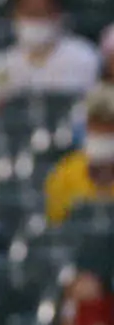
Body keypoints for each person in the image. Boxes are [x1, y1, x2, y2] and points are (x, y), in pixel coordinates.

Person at [0, 0, 100, 105]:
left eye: (42, 12)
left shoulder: (84, 57)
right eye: (30, 13)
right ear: (14, 15)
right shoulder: (0, 64)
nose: (35, 21)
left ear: (57, 14)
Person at [45, 83, 114, 224]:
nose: (103, 130)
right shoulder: (66, 172)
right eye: (97, 123)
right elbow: (57, 224)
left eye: (110, 124)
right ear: (88, 125)